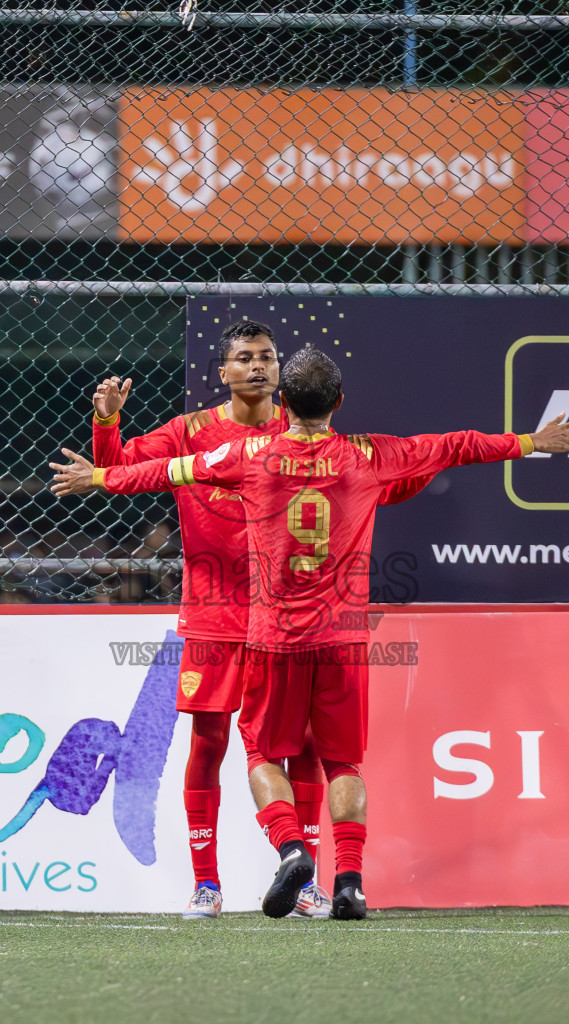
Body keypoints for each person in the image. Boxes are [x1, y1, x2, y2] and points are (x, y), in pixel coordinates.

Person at [53, 347, 569, 919]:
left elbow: (167, 471)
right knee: (342, 764)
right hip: (343, 642)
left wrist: (102, 476)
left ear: (283, 401)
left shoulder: (246, 455)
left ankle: (289, 850)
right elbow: (457, 444)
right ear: (340, 402)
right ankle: (350, 882)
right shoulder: (373, 456)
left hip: (272, 640)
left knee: (260, 753)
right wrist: (533, 441)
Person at [87, 320, 430, 920]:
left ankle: (305, 884)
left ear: (281, 373)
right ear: (221, 372)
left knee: (301, 750)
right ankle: (206, 884)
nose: (257, 367)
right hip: (216, 616)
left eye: (267, 358)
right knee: (210, 741)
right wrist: (108, 421)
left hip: (287, 623)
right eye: (243, 358)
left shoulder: (301, 431)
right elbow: (114, 468)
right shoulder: (190, 432)